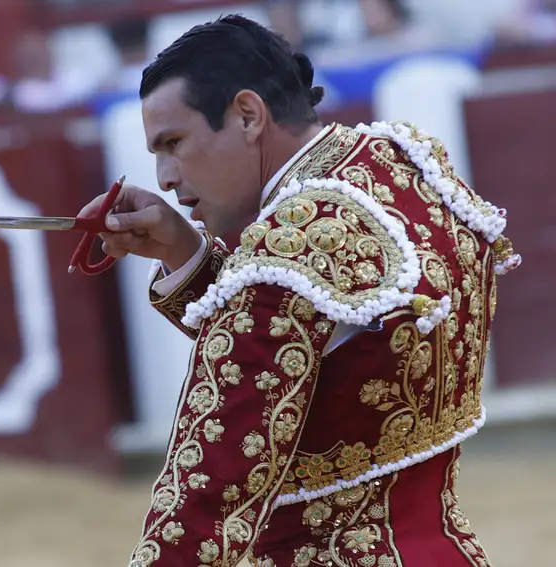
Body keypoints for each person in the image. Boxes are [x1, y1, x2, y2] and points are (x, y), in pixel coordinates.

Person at [78, 13, 521, 567]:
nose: (166, 176)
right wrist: (181, 251)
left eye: (174, 142)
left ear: (246, 115)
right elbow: (327, 353)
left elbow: (207, 497)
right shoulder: (403, 163)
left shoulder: (282, 255)